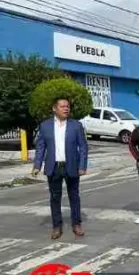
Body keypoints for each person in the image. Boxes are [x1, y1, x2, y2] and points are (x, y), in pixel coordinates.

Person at [32, 97, 89, 239]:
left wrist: (82, 166)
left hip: (72, 166)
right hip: (54, 167)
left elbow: (83, 147)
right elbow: (41, 147)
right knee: (55, 198)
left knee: (74, 197)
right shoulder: (45, 126)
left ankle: (76, 224)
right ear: (54, 108)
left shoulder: (76, 125)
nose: (66, 108)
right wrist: (37, 165)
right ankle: (57, 226)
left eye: (68, 106)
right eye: (62, 106)